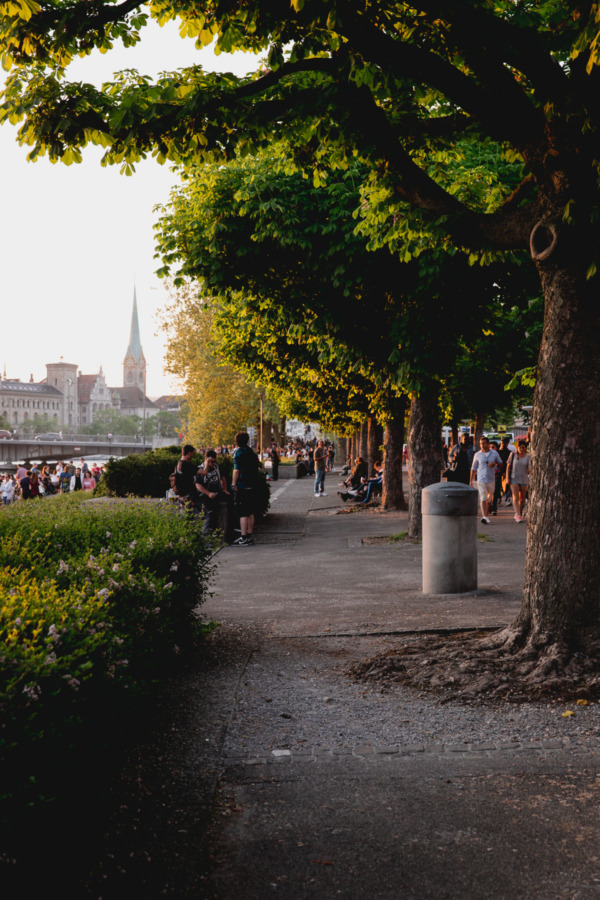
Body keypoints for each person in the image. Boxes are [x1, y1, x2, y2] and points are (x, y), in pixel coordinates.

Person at [232, 432, 259, 545]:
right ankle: (250, 535)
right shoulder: (251, 452)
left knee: (243, 512)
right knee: (251, 512)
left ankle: (243, 537)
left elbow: (236, 470)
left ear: (237, 441)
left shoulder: (238, 453)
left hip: (242, 485)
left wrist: (234, 483)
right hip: (252, 484)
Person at [195, 450, 230, 534]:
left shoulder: (216, 467)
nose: (213, 463)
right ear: (207, 459)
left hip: (217, 493)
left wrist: (224, 489)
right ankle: (206, 534)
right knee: (209, 513)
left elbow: (222, 478)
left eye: (215, 461)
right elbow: (198, 485)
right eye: (212, 462)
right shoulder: (200, 469)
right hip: (205, 495)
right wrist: (208, 493)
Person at [470, 436, 503, 524]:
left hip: (491, 479)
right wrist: (471, 480)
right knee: (483, 497)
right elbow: (473, 468)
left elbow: (501, 463)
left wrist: (494, 464)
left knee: (489, 498)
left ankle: (487, 514)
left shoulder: (494, 453)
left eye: (484, 443)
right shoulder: (477, 454)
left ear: (488, 444)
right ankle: (484, 516)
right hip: (481, 478)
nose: (482, 445)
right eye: (481, 443)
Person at [507, 439, 530, 523]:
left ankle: (519, 512)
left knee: (522, 498)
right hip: (514, 478)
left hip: (524, 478)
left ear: (525, 448)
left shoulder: (528, 457)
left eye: (523, 447)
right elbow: (508, 466)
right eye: (520, 447)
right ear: (517, 447)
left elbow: (529, 468)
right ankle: (518, 515)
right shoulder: (513, 455)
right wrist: (507, 478)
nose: (521, 449)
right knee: (516, 496)